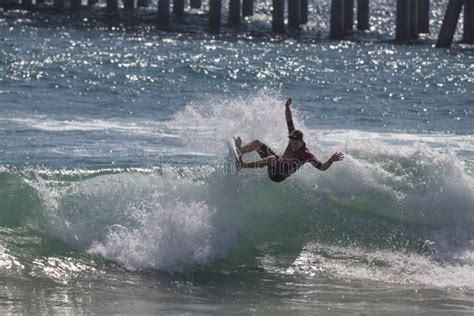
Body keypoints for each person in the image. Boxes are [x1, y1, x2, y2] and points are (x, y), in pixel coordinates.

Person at [234, 97, 344, 182]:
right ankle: (240, 150)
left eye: (295, 143)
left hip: (278, 175)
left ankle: (242, 165)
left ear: (301, 142)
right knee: (257, 143)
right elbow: (289, 121)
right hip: (278, 162)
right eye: (291, 142)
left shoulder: (306, 155)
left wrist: (330, 160)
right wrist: (287, 107)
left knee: (272, 159)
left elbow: (321, 168)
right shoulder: (292, 137)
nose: (292, 144)